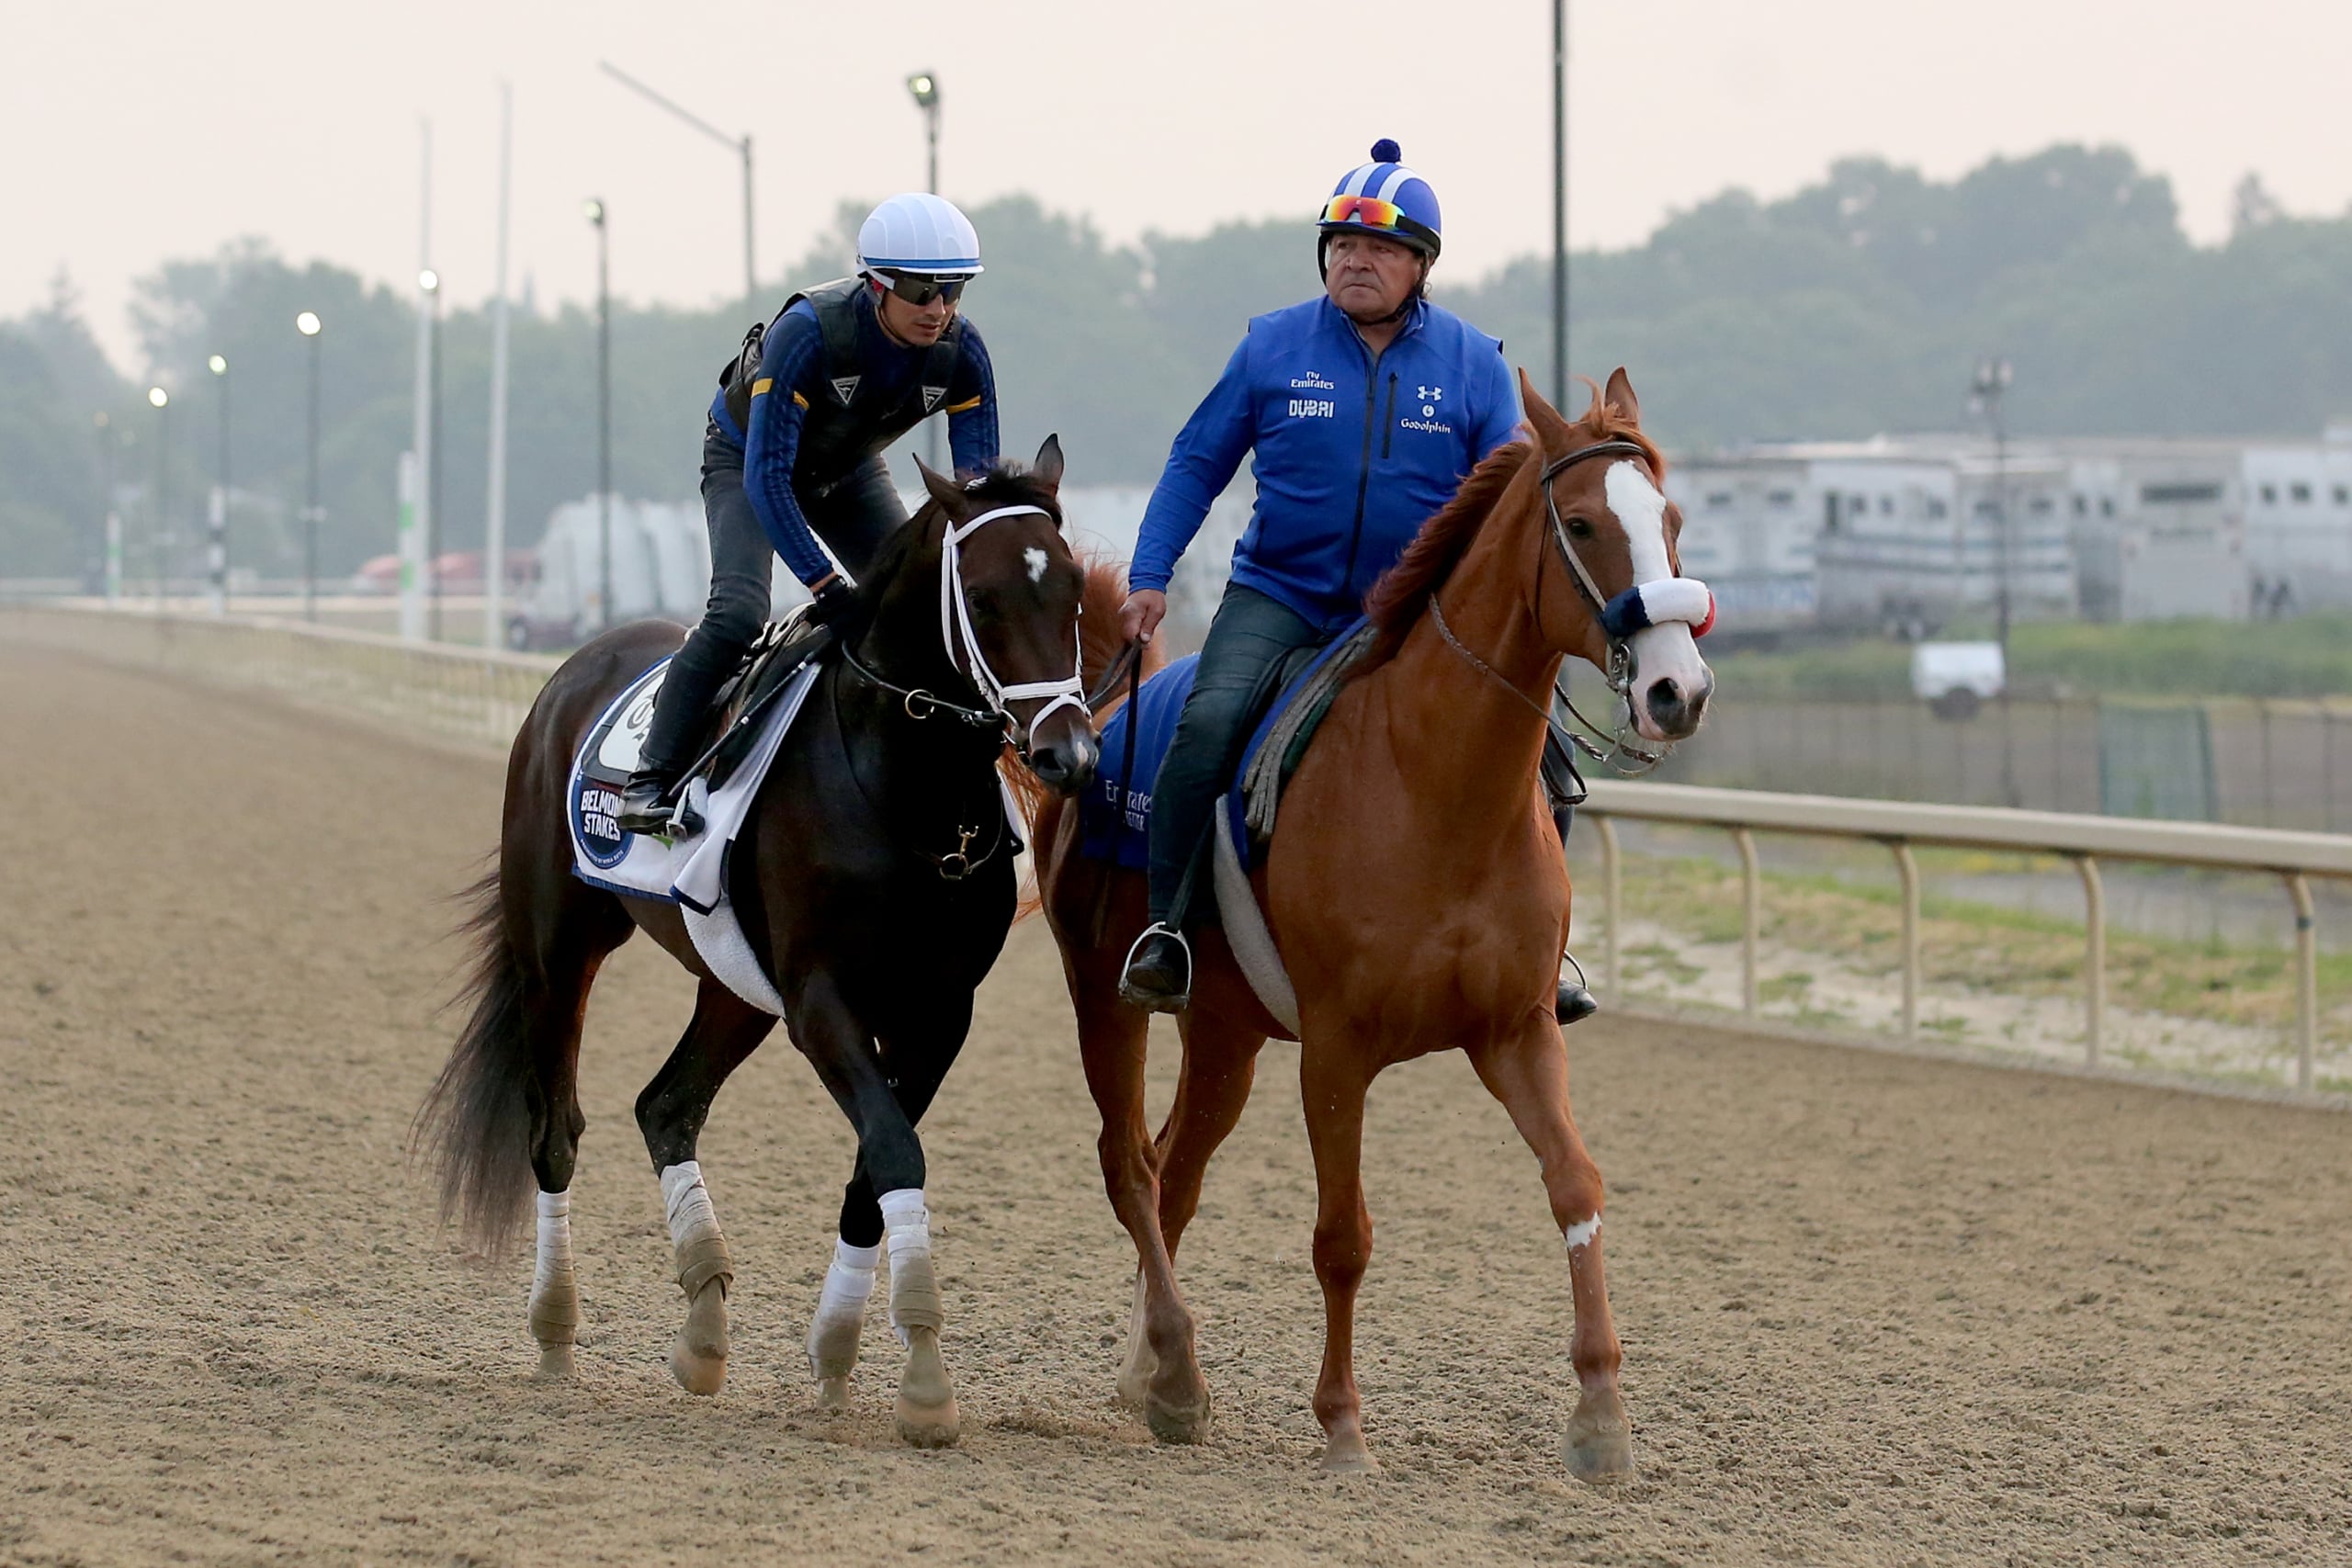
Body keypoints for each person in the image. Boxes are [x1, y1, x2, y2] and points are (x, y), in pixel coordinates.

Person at [1116, 140, 1597, 1024]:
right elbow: (1195, 464)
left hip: (1417, 616)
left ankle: (1547, 948)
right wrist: (1151, 574)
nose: (1353, 259)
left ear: (1420, 265)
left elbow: (1513, 501)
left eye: (1377, 248)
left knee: (1545, 747)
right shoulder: (1270, 347)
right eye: (1339, 243)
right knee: (1209, 723)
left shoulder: (1473, 364)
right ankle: (1169, 933)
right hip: (1280, 596)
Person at [615, 192, 1001, 834]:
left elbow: (977, 493)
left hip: (847, 471)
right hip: (747, 461)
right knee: (739, 611)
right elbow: (769, 479)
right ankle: (651, 775)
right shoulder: (809, 331)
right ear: (876, 284)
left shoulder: (964, 352)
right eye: (921, 289)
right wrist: (826, 587)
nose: (939, 309)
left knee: (925, 603)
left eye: (955, 289)